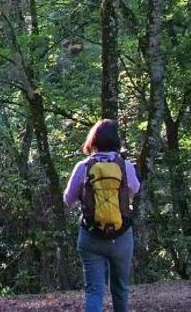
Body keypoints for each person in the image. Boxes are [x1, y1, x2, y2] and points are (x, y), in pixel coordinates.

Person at [63, 119, 141, 312]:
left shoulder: (83, 166)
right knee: (120, 290)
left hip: (91, 236)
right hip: (121, 235)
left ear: (93, 140)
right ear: (116, 140)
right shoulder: (125, 165)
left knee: (94, 292)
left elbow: (68, 198)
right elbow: (135, 188)